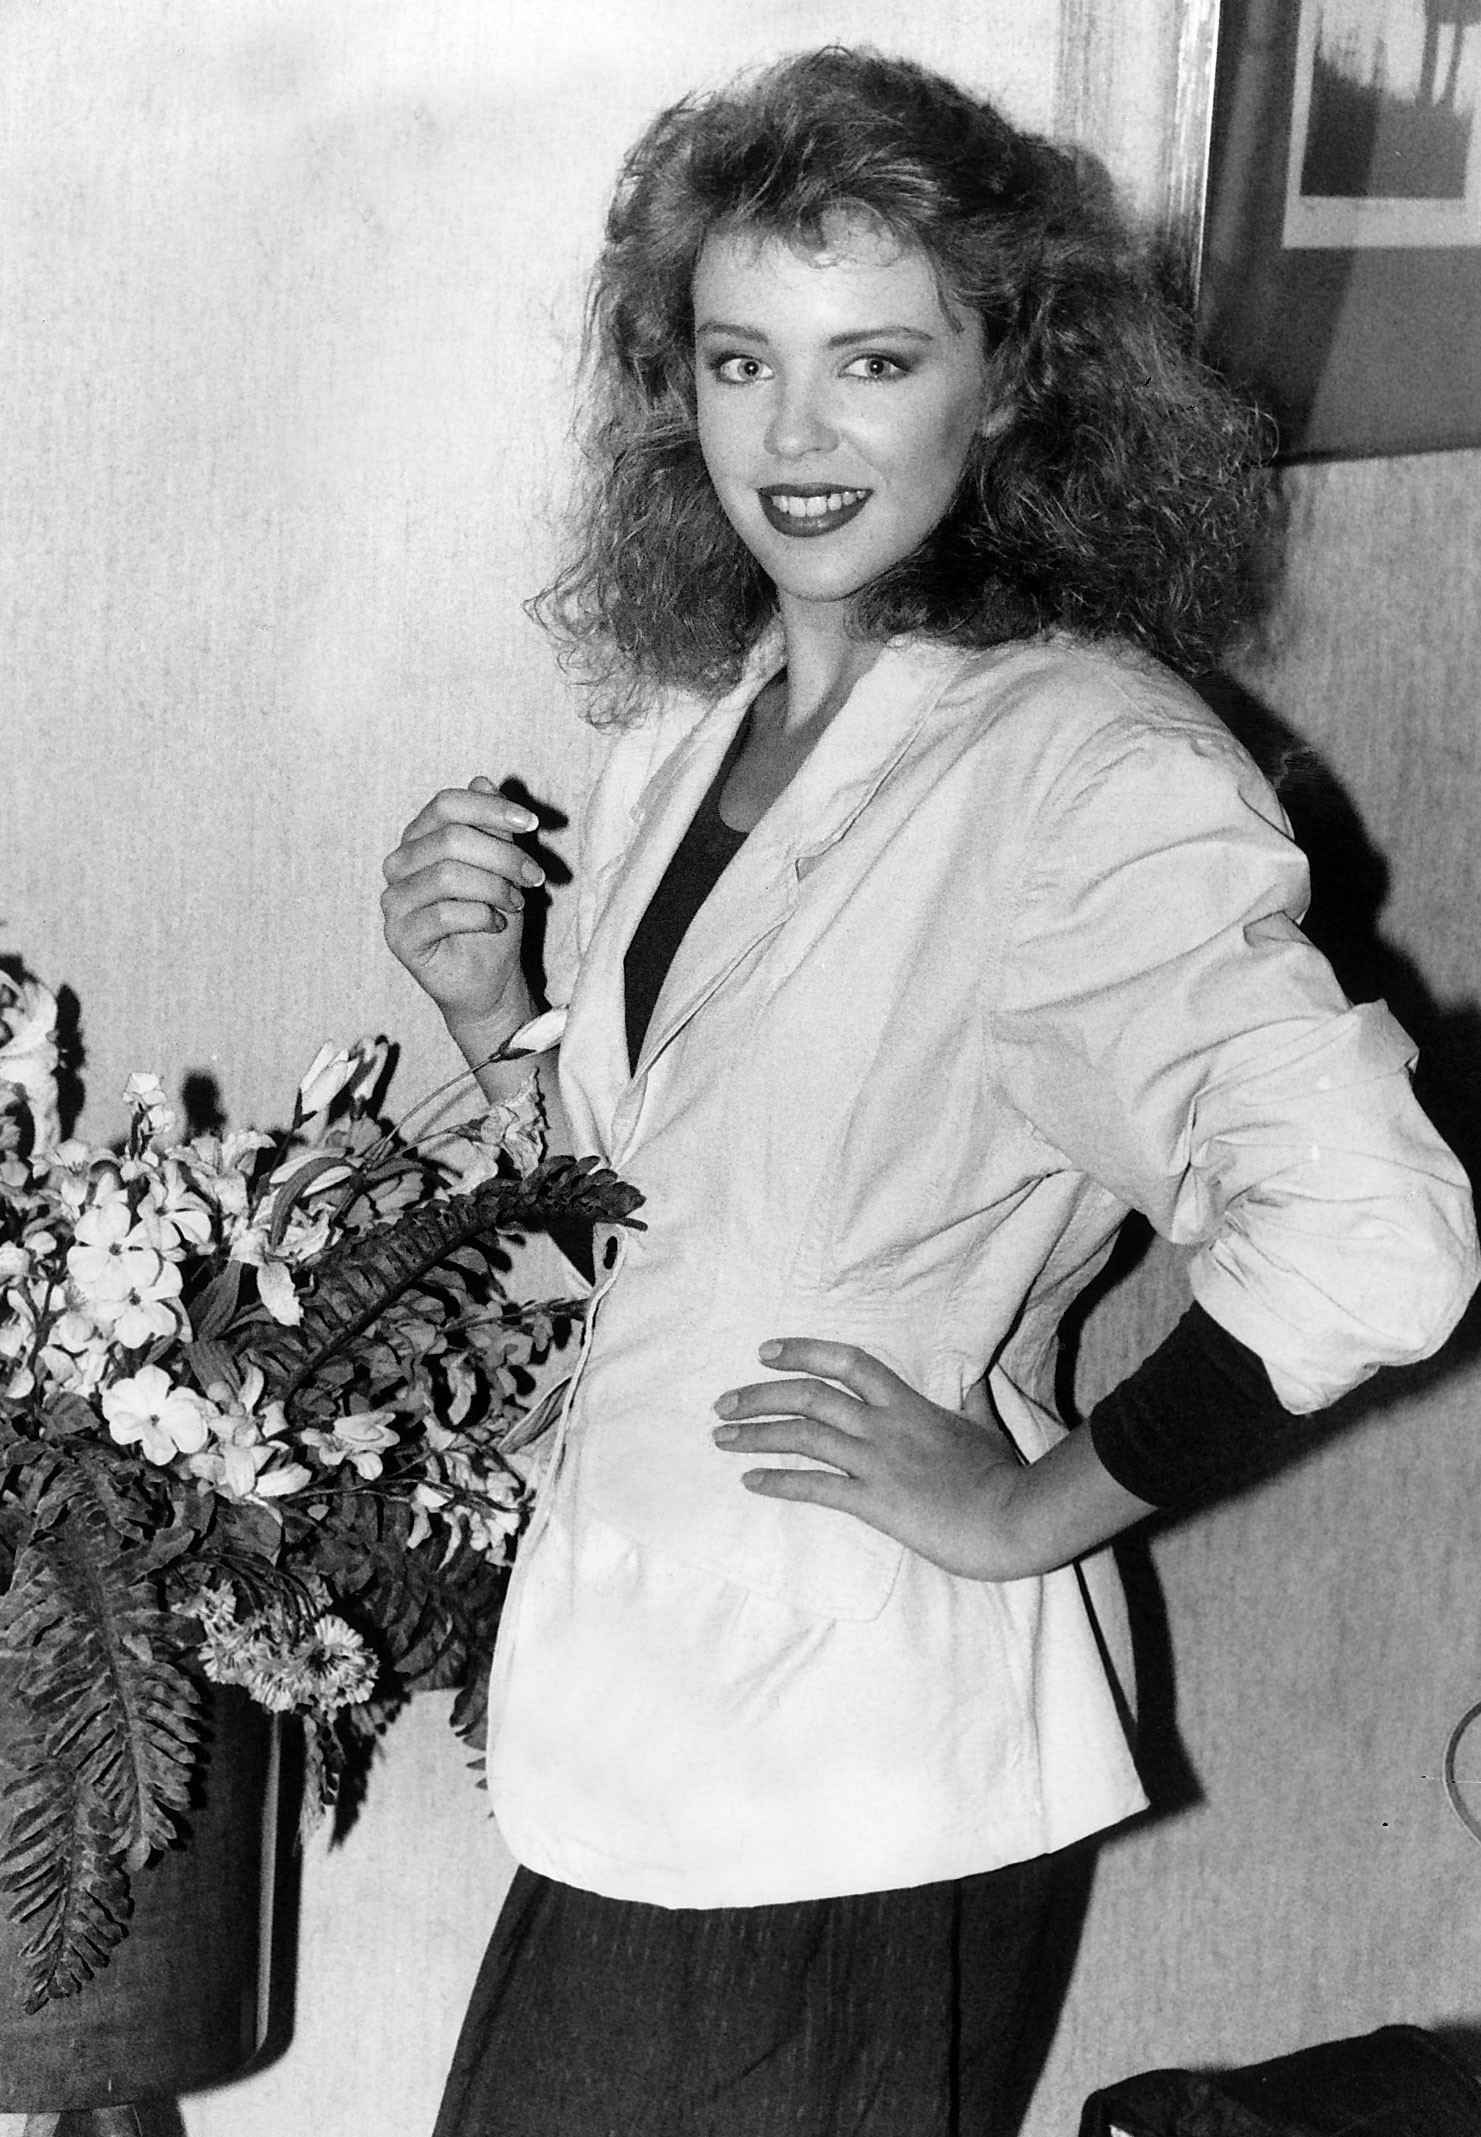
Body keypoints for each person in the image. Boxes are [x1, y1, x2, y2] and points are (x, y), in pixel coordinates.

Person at [380, 47, 1478, 2137]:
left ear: (1008, 389)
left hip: (844, 1769)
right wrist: (490, 1009)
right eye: (740, 361)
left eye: (873, 360)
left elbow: (1375, 1234)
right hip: (652, 1730)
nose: (792, 436)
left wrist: (1022, 1507)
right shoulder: (688, 743)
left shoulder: (1087, 769)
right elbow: (676, 1230)